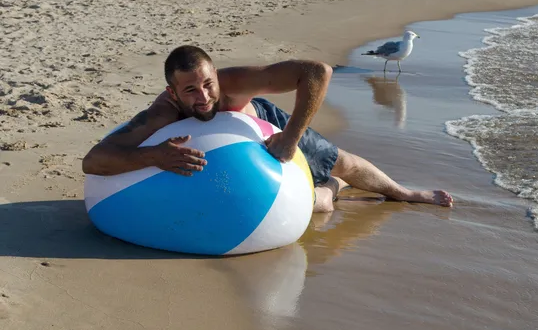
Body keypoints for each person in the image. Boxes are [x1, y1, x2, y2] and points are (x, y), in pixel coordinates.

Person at [82, 45, 453, 212]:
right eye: (190, 90)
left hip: (263, 122)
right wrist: (156, 156)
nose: (204, 97)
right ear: (172, 92)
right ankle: (333, 190)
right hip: (239, 169)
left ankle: (404, 193)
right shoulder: (161, 114)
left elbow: (317, 72)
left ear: (216, 75)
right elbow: (94, 160)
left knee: (345, 163)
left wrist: (291, 138)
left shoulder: (235, 83)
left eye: (208, 84)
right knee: (316, 206)